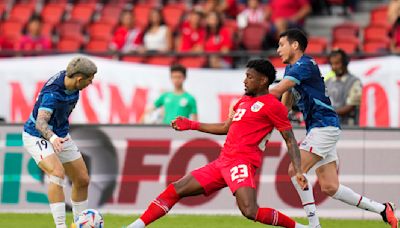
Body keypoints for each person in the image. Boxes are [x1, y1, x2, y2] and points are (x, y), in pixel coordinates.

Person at [126, 59, 308, 228]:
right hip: (222, 162)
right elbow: (225, 127)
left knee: (250, 211)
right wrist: (191, 125)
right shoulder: (243, 101)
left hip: (242, 162)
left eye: (249, 77)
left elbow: (290, 139)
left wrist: (298, 170)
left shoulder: (272, 105)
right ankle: (135, 226)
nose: (245, 81)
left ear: (263, 80)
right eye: (245, 76)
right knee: (176, 188)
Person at [270, 28, 398, 228]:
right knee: (330, 186)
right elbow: (284, 104)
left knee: (295, 169)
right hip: (319, 128)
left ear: (295, 45)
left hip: (324, 126)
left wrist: (250, 100)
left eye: (281, 45)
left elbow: (277, 90)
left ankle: (314, 225)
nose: (278, 50)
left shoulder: (305, 64)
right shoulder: (291, 70)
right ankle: (383, 209)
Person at [22, 57, 97, 228]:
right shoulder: (52, 94)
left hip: (60, 135)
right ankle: (61, 226)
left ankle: (79, 224)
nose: (91, 83)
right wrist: (53, 138)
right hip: (37, 135)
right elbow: (40, 123)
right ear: (79, 78)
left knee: (82, 179)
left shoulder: (70, 80)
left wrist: (57, 136)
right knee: (57, 173)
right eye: (90, 79)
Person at [326, 49, 362, 126]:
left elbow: (351, 106)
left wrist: (328, 112)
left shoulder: (355, 82)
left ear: (345, 63)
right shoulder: (328, 82)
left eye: (337, 63)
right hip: (329, 127)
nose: (334, 67)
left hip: (347, 127)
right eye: (332, 64)